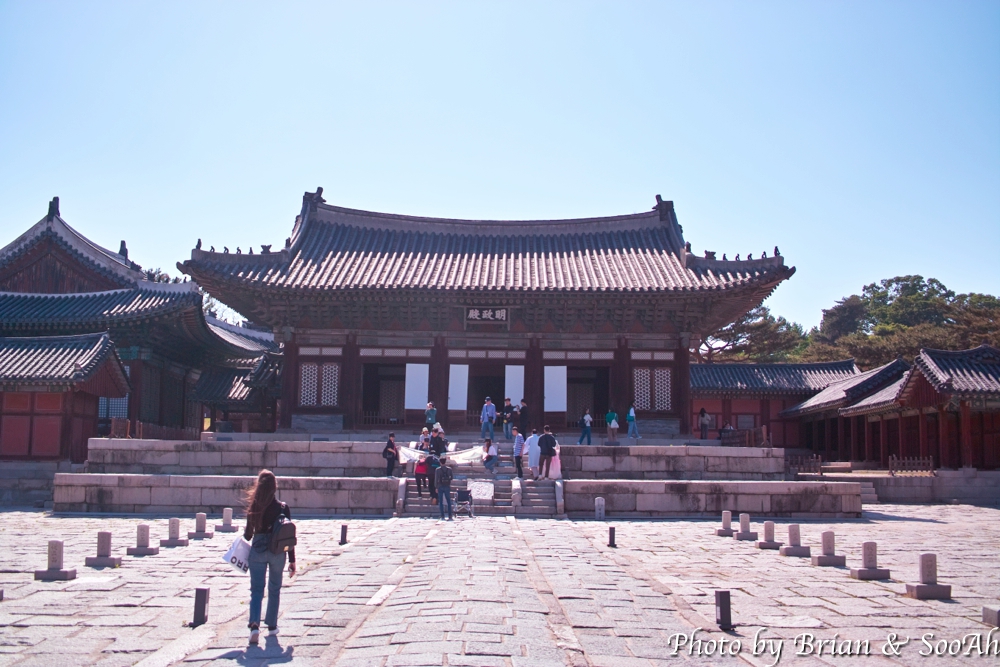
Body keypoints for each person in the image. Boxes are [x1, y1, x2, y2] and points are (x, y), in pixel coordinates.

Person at [243, 469, 296, 645]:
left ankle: (254, 625)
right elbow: (288, 536)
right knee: (274, 588)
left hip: (258, 549)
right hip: (277, 551)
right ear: (275, 487)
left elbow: (248, 535)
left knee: (256, 590)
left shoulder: (254, 507)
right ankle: (272, 625)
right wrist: (292, 560)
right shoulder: (283, 508)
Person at [435, 456, 454, 520]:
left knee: (441, 501)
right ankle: (450, 515)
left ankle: (442, 515)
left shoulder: (437, 470)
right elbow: (452, 477)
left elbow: (436, 479)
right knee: (448, 501)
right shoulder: (449, 469)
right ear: (445, 462)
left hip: (440, 486)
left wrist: (436, 487)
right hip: (447, 486)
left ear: (440, 462)